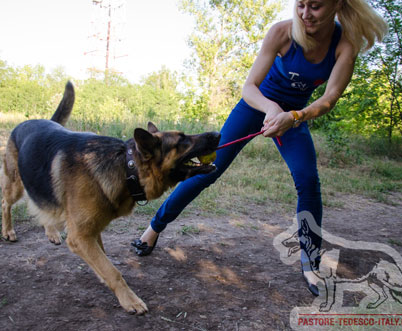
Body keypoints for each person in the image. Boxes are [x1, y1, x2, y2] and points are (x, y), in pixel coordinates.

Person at [131, 0, 387, 296]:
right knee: (207, 170)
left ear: (337, 4)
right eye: (301, 5)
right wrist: (270, 109)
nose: (305, 14)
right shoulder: (281, 33)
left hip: (293, 118)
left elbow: (329, 99)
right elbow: (249, 86)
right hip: (256, 107)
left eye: (315, 6)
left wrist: (293, 117)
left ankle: (310, 262)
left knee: (308, 181)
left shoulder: (344, 45)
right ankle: (153, 229)